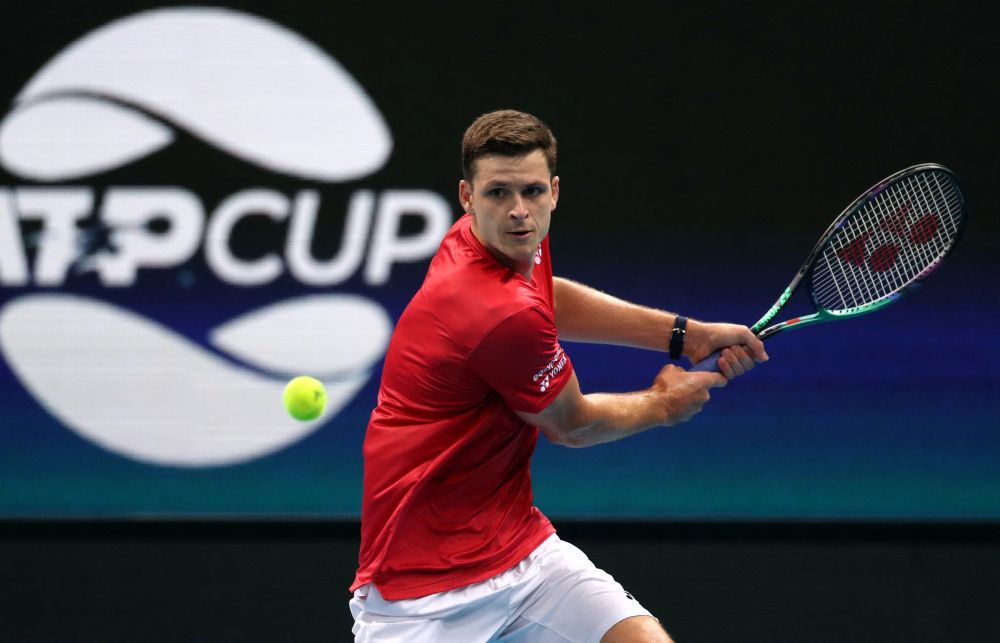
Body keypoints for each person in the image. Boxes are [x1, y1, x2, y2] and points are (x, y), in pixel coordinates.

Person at [349, 109, 767, 642]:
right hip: (423, 595)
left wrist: (685, 334)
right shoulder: (488, 308)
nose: (519, 211)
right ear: (467, 196)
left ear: (555, 191)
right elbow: (573, 425)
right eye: (498, 193)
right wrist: (665, 403)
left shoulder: (496, 242)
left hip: (521, 552)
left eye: (531, 191)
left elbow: (546, 297)